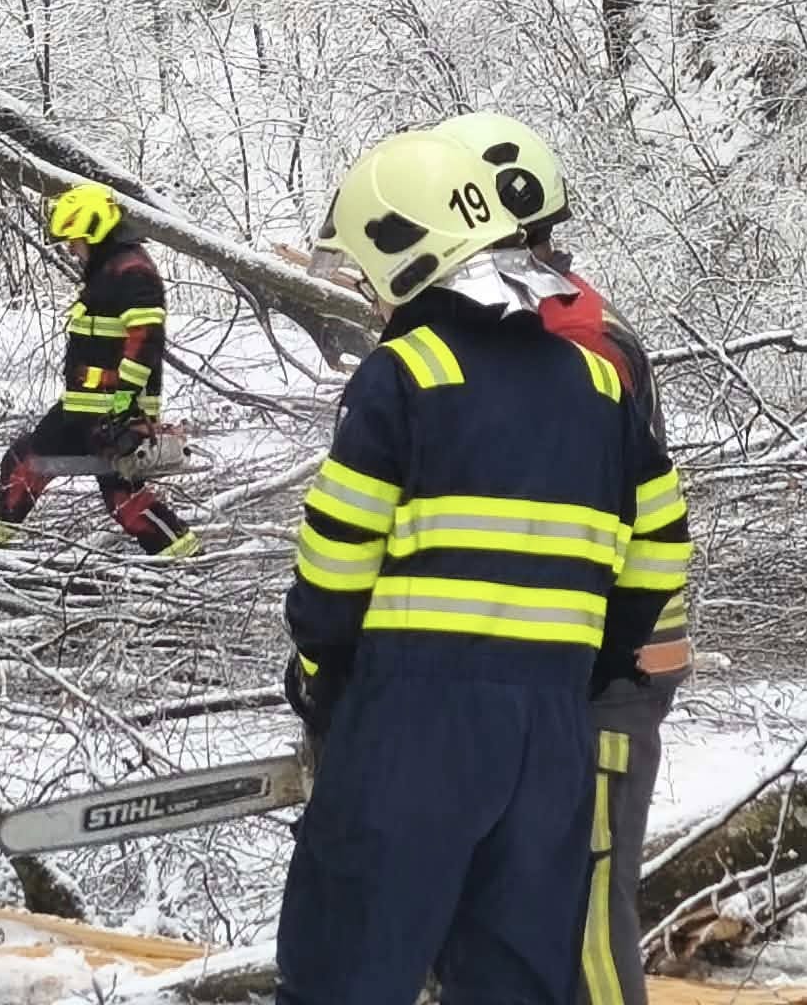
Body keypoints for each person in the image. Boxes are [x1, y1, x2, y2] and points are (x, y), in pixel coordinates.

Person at [278, 130, 690, 1005]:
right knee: (520, 977)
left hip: (412, 722)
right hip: (551, 733)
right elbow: (658, 545)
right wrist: (595, 659)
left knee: (349, 964)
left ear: (407, 251)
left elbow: (336, 555)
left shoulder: (406, 373)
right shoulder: (598, 381)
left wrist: (324, 674)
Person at [436, 110, 687, 1005]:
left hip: (596, 677)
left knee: (581, 923)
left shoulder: (572, 344)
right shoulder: (520, 336)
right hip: (536, 671)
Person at [0, 184, 197, 557]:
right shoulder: (111, 271)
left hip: (107, 410)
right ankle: (182, 555)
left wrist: (124, 405)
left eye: (74, 239)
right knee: (111, 491)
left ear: (95, 231)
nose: (70, 248)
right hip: (91, 408)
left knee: (35, 464)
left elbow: (144, 341)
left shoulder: (131, 273)